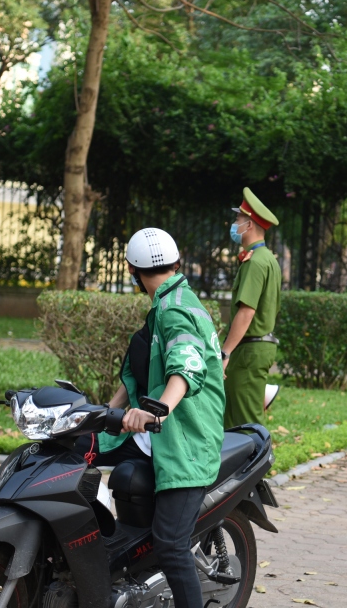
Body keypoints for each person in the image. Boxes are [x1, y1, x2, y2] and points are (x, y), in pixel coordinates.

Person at [96, 227, 225, 608]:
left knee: (170, 544)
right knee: (74, 455)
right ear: (176, 264)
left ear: (133, 272)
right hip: (154, 432)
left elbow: (185, 366)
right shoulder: (165, 303)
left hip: (185, 440)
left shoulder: (176, 310)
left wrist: (160, 409)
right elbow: (138, 373)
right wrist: (102, 414)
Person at [220, 187, 282, 429]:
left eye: (238, 219)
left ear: (250, 224)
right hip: (255, 347)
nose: (234, 224)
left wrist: (224, 353)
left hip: (249, 350)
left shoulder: (256, 262)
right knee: (236, 418)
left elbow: (247, 312)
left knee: (246, 424)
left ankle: (258, 466)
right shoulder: (267, 259)